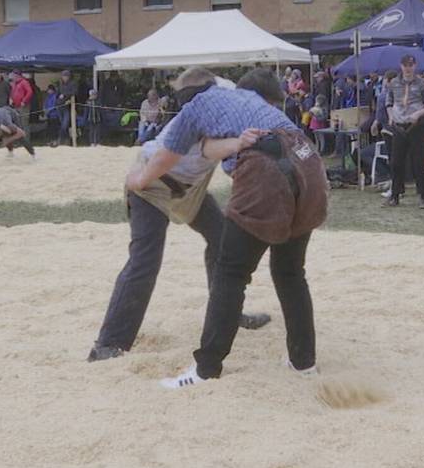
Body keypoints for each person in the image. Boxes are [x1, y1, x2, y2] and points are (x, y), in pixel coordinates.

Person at [127, 66, 327, 388]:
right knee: (290, 274)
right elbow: (213, 147)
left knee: (230, 274)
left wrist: (138, 180)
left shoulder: (194, 109)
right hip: (310, 168)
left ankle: (206, 369)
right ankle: (303, 362)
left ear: (185, 96)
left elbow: (165, 158)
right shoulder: (243, 98)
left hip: (267, 175)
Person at [87, 70, 280, 363]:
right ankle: (108, 343)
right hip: (154, 180)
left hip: (192, 184)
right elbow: (171, 155)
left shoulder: (231, 97)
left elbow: (212, 146)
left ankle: (228, 311)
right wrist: (138, 182)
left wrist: (239, 145)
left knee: (222, 239)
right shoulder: (206, 104)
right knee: (145, 259)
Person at [384, 54, 424, 209]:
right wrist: (391, 116)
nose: (408, 68)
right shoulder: (394, 83)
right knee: (396, 163)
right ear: (401, 66)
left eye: (411, 65)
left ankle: (423, 196)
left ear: (414, 66)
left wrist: (418, 114)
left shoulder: (422, 84)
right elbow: (388, 102)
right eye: (405, 65)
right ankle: (395, 195)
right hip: (399, 127)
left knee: (419, 164)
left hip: (417, 127)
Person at [9, 69, 34, 134]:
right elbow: (13, 93)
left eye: (14, 75)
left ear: (18, 75)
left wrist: (24, 101)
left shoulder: (24, 82)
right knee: (18, 124)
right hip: (16, 106)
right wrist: (11, 99)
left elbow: (30, 92)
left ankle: (26, 141)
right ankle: (20, 140)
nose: (13, 77)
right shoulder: (15, 83)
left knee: (24, 124)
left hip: (23, 106)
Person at [57, 70, 77, 144]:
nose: (64, 78)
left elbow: (74, 92)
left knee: (65, 124)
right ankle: (66, 139)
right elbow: (58, 94)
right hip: (59, 105)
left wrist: (65, 95)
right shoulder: (60, 84)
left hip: (67, 106)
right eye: (63, 76)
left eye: (66, 76)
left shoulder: (72, 84)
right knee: (62, 123)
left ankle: (60, 139)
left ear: (69, 77)